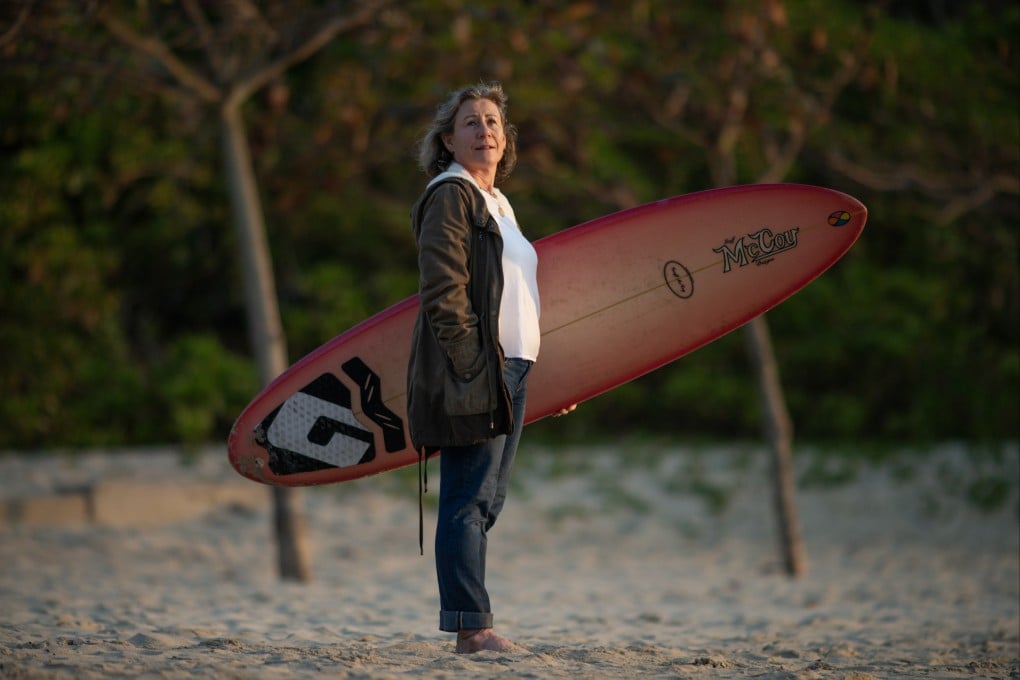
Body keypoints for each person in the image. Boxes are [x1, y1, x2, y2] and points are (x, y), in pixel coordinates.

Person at [406, 82, 571, 654]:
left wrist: (541, 368)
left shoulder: (497, 202)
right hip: (480, 367)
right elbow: (442, 288)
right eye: (471, 123)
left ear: (506, 139)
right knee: (468, 496)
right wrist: (474, 364)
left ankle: (469, 620)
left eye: (494, 122)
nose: (485, 131)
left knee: (488, 499)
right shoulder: (450, 194)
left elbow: (519, 294)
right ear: (448, 139)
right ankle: (472, 628)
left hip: (515, 366)